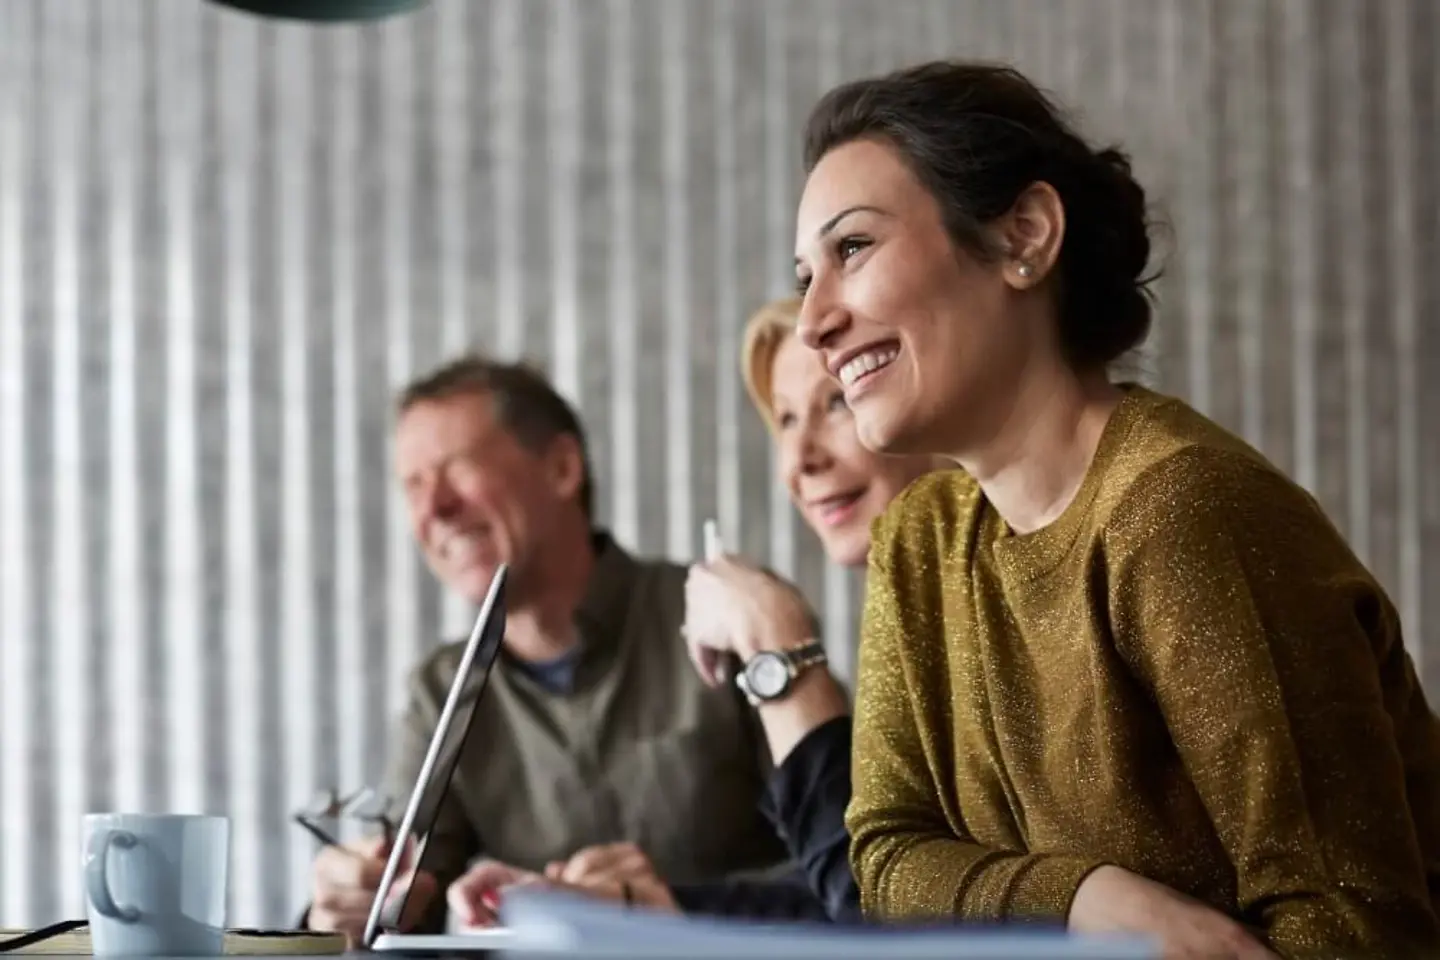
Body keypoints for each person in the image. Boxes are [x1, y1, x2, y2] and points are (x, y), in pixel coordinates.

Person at [791, 60, 1440, 959]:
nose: (812, 322)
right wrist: (1082, 901)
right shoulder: (919, 538)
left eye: (853, 249)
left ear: (1024, 235)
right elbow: (888, 859)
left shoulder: (1181, 509)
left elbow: (1356, 930)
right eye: (804, 276)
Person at [445, 297, 939, 927]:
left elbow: (873, 906)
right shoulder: (909, 627)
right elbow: (852, 884)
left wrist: (777, 651)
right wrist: (644, 905)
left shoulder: (988, 622)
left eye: (838, 402)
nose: (799, 460)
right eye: (786, 420)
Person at [304, 355, 786, 943]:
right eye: (414, 485)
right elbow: (405, 905)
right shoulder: (441, 691)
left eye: (457, 468)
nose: (434, 509)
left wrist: (674, 907)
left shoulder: (726, 616)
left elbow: (851, 871)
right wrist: (345, 914)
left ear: (562, 468)